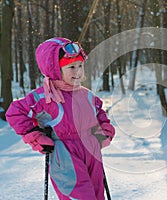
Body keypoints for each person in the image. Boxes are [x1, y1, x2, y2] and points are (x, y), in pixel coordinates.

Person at [6, 37, 115, 200]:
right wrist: (36, 137)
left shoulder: (87, 95)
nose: (78, 71)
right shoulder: (44, 97)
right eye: (71, 67)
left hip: (91, 150)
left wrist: (104, 131)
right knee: (80, 196)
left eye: (80, 66)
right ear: (55, 69)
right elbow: (15, 112)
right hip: (64, 153)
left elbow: (99, 113)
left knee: (97, 194)